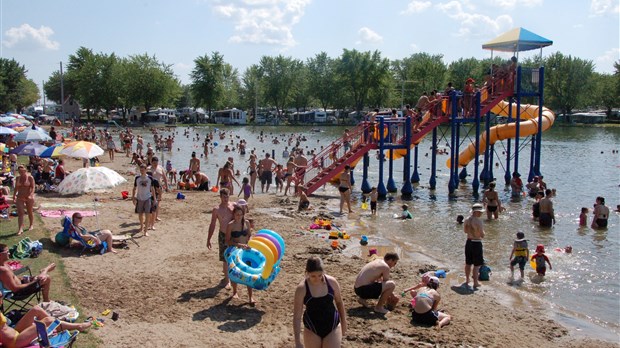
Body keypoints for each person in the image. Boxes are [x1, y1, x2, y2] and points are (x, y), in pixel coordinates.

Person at [293, 257, 346, 348]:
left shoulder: (332, 282)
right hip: (312, 327)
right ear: (307, 273)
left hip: (332, 325)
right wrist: (297, 341)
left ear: (323, 272)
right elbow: (297, 317)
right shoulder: (302, 288)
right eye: (313, 276)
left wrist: (344, 323)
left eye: (320, 275)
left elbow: (339, 303)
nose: (317, 279)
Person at [0, 296, 91, 348]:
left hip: (14, 331)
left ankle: (58, 326)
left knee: (36, 309)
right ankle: (77, 326)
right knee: (48, 321)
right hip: (15, 342)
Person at [225, 205, 254, 304]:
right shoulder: (231, 225)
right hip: (235, 251)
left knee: (249, 273)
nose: (239, 216)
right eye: (237, 214)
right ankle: (235, 292)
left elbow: (249, 235)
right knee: (235, 273)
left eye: (241, 215)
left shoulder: (246, 223)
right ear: (233, 214)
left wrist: (249, 243)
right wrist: (239, 244)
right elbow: (227, 241)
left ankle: (250, 297)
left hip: (246, 251)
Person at [206, 188, 235, 288]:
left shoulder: (233, 206)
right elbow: (212, 224)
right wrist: (208, 239)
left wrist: (234, 212)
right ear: (220, 197)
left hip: (233, 234)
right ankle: (227, 281)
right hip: (223, 234)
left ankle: (230, 276)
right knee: (225, 258)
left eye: (227, 197)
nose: (226, 199)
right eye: (224, 197)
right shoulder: (217, 209)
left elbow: (243, 215)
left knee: (234, 256)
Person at [463, 203, 485, 289]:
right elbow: (482, 235)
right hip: (476, 242)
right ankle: (475, 282)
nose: (481, 213)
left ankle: (467, 279)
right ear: (476, 212)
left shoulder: (466, 220)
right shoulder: (479, 221)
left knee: (468, 263)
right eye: (480, 212)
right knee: (476, 264)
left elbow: (465, 231)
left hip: (468, 242)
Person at [131, 164, 157, 236]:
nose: (142, 171)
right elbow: (134, 188)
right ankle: (141, 226)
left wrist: (154, 199)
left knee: (147, 214)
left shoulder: (150, 178)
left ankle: (145, 231)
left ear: (146, 170)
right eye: (140, 170)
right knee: (140, 214)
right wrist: (133, 197)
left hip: (147, 198)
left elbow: (152, 189)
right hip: (139, 198)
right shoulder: (137, 178)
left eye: (143, 170)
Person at [13, 165, 35, 235]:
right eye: (19, 171)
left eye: (22, 171)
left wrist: (31, 195)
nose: (21, 173)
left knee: (30, 211)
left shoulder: (30, 177)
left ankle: (31, 225)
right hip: (20, 197)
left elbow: (33, 187)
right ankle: (20, 228)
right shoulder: (18, 178)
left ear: (25, 170)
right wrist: (14, 196)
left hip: (28, 196)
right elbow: (16, 188)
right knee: (20, 213)